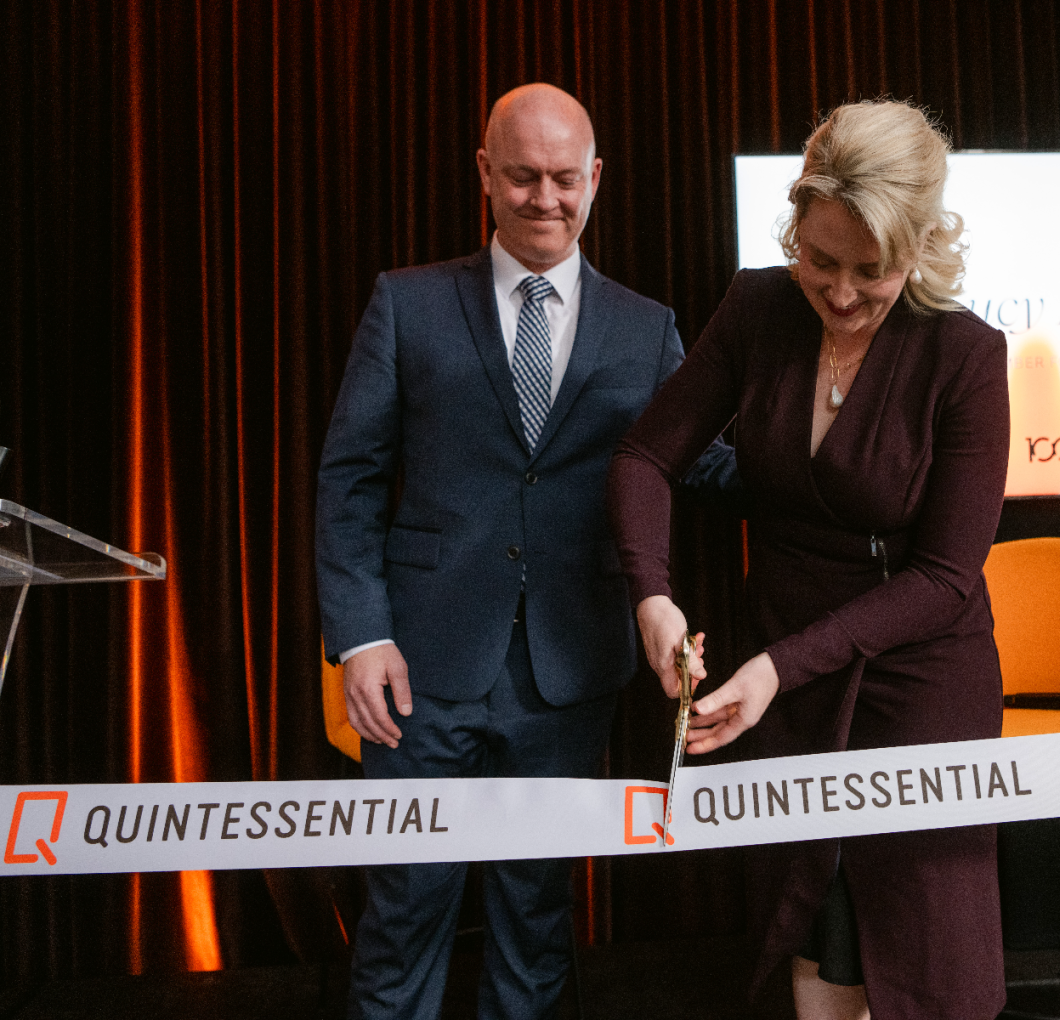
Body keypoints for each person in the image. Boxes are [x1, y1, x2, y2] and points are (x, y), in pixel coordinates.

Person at [316, 83, 732, 1020]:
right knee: (405, 912)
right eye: (522, 178)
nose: (545, 199)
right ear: (484, 175)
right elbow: (349, 479)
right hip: (417, 668)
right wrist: (360, 635)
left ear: (596, 178)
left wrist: (836, 454)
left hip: (569, 666)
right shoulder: (407, 304)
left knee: (537, 919)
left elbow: (699, 464)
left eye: (563, 179)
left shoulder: (646, 325)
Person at [609, 100, 1011, 1020]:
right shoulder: (758, 307)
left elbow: (946, 581)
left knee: (923, 949)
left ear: (921, 247)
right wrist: (653, 599)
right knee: (812, 915)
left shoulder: (965, 355)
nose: (837, 292)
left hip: (918, 677)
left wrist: (776, 670)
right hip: (782, 666)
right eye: (820, 259)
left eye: (870, 272)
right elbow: (642, 458)